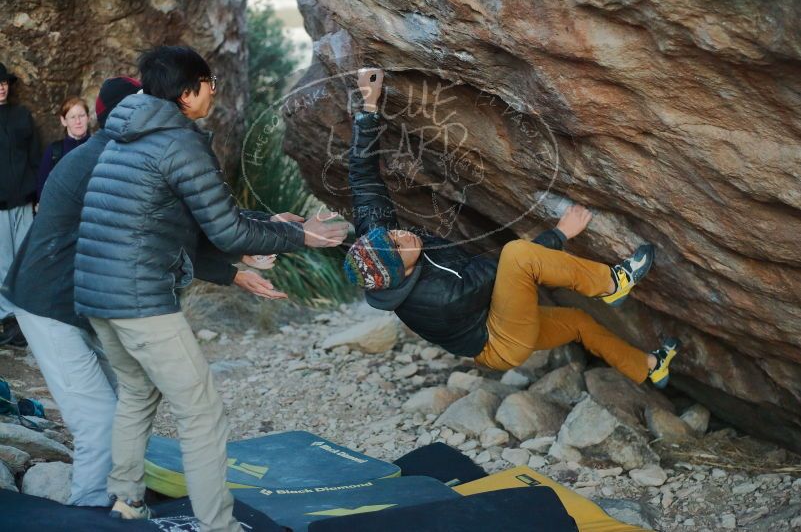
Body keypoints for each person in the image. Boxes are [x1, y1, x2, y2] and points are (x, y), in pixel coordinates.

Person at [74, 47, 348, 531]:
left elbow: (202, 219)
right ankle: (218, 526)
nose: (214, 90)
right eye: (208, 82)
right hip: (140, 299)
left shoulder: (125, 133)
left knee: (137, 394)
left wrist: (272, 222)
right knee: (202, 412)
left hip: (96, 293)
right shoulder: (179, 142)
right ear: (187, 93)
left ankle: (125, 499)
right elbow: (227, 236)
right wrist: (304, 236)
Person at [1, 77, 283, 507]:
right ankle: (91, 511)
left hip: (83, 304)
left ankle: (117, 503)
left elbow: (179, 221)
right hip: (49, 305)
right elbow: (193, 220)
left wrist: (251, 250)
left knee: (124, 404)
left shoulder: (123, 153)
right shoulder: (111, 159)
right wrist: (266, 238)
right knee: (99, 419)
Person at [343, 68, 680, 390]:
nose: (403, 235)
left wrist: (369, 105)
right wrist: (562, 233)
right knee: (517, 255)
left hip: (494, 315)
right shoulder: (438, 298)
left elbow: (363, 177)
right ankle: (614, 283)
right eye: (400, 248)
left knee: (578, 322)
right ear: (399, 274)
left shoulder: (377, 244)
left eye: (392, 234)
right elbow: (500, 271)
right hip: (500, 343)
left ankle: (649, 366)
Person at [0, 62, 38, 347]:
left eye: (4, 82)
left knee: (24, 260)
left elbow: (35, 156)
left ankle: (26, 318)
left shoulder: (22, 115)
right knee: (3, 264)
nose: (2, 87)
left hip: (24, 201)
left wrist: (37, 195)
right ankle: (7, 321)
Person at [35, 96, 91, 202]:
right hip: (64, 214)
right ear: (64, 121)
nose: (78, 121)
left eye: (81, 116)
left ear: (88, 117)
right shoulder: (54, 151)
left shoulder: (99, 147)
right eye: (72, 117)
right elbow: (42, 188)